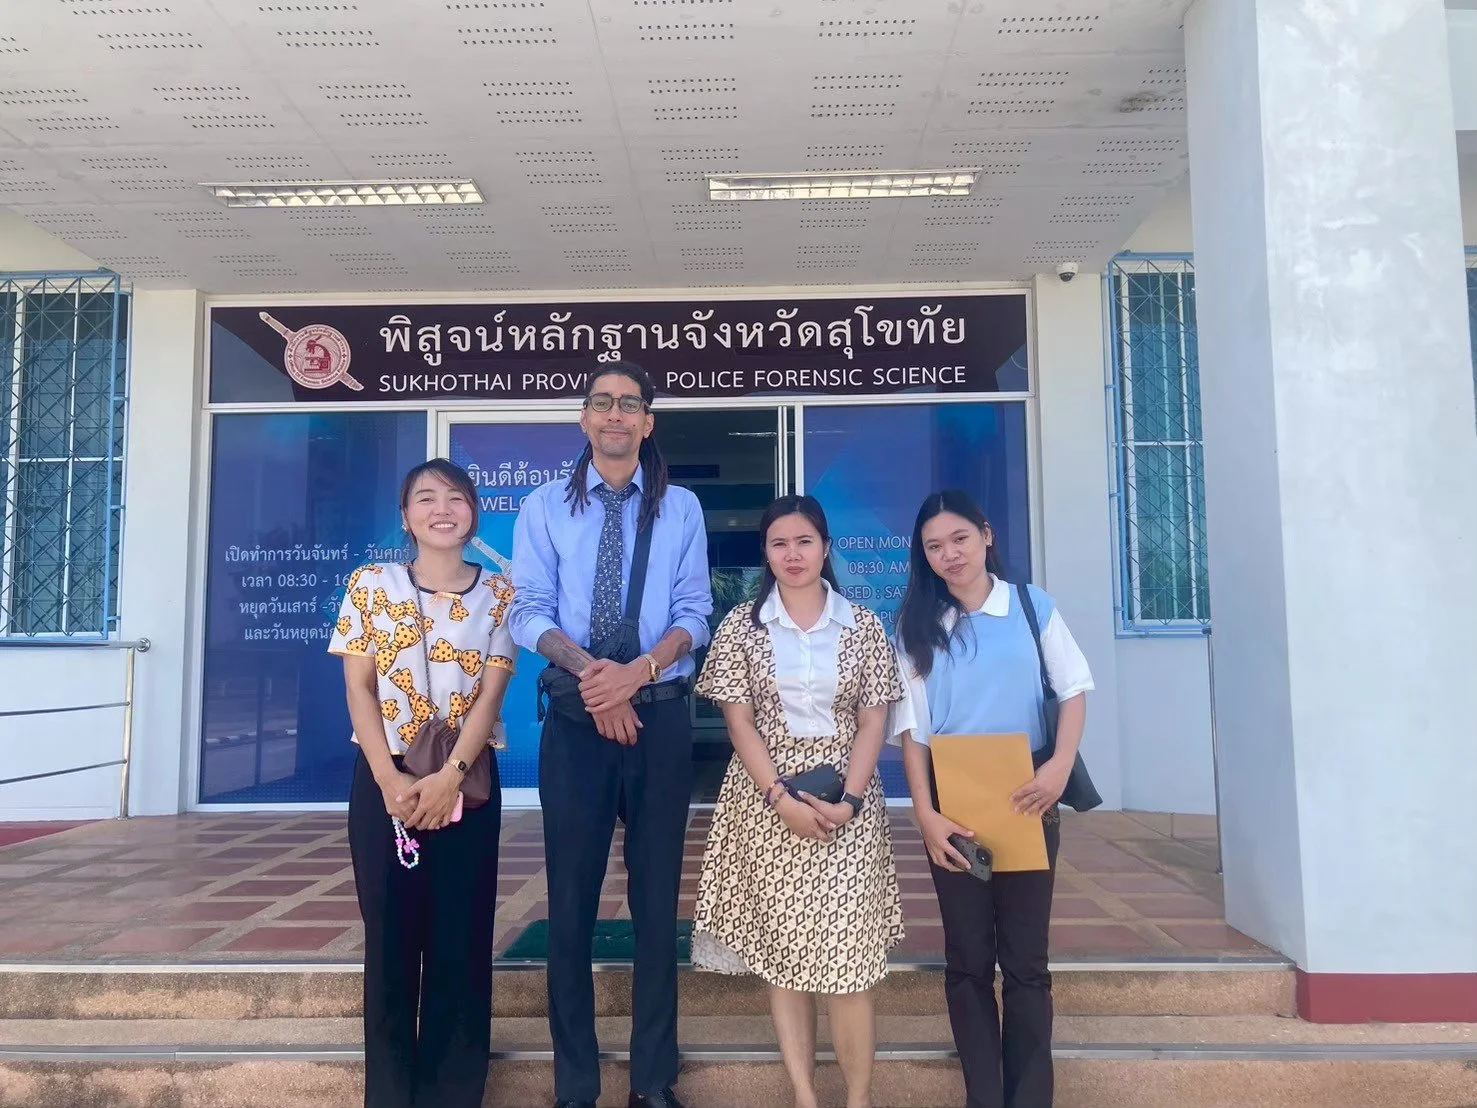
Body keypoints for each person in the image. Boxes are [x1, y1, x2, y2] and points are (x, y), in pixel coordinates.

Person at [509, 362, 713, 1108]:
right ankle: (575, 1084)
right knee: (570, 903)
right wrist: (598, 678)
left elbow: (696, 611)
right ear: (585, 418)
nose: (616, 415)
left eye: (630, 405)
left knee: (657, 906)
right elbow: (525, 608)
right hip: (573, 722)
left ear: (648, 422)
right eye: (603, 403)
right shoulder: (543, 507)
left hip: (658, 720)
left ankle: (653, 1081)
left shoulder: (681, 508)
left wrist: (640, 672)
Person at [691, 494, 904, 1108]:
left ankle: (858, 1099)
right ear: (765, 553)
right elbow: (739, 724)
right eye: (779, 543)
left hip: (847, 804)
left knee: (849, 959)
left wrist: (853, 801)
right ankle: (806, 1096)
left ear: (826, 548)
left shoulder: (862, 625)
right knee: (786, 957)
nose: (793, 554)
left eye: (804, 541)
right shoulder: (740, 626)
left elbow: (873, 720)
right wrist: (778, 796)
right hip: (766, 804)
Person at [890, 490, 1094, 1108]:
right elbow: (914, 730)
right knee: (969, 959)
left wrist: (1059, 766)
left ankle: (1030, 1097)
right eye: (934, 547)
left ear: (986, 536)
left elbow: (1075, 687)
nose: (949, 555)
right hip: (955, 803)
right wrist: (925, 814)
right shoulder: (917, 625)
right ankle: (985, 1093)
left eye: (958, 539)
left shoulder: (1031, 607)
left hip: (1029, 792)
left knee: (1026, 960)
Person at [330, 458, 518, 1108]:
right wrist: (389, 779)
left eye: (456, 498)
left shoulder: (499, 593)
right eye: (426, 498)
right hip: (384, 782)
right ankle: (389, 1095)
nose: (442, 509)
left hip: (466, 781)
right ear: (406, 515)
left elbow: (493, 691)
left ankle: (453, 1093)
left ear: (473, 511)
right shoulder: (370, 584)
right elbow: (357, 684)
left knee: (460, 942)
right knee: (389, 943)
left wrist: (449, 779)